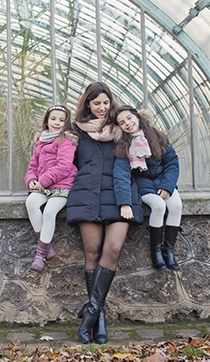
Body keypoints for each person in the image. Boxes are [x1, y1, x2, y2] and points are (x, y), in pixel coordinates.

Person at [66, 82, 143, 344]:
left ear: (112, 102)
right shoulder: (76, 131)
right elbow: (64, 161)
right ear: (87, 104)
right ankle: (98, 319)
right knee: (92, 252)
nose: (102, 108)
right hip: (87, 196)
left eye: (106, 102)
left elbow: (149, 152)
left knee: (112, 249)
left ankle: (89, 314)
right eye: (96, 103)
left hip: (120, 197)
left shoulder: (122, 128)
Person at [112, 105, 182, 271]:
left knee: (176, 206)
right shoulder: (123, 146)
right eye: (122, 122)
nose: (127, 123)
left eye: (129, 118)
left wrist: (167, 186)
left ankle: (169, 251)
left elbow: (172, 163)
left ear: (137, 117)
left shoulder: (157, 136)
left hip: (164, 181)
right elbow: (121, 175)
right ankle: (156, 252)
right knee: (158, 205)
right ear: (120, 127)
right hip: (143, 184)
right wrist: (124, 202)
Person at [24, 104, 79, 272]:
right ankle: (47, 247)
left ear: (66, 123)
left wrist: (43, 180)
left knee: (49, 212)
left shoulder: (66, 140)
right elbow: (32, 166)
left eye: (61, 120)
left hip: (62, 185)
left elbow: (64, 167)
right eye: (53, 119)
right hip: (43, 184)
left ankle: (40, 255)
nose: (57, 123)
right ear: (47, 120)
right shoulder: (40, 141)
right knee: (31, 203)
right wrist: (32, 179)